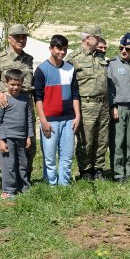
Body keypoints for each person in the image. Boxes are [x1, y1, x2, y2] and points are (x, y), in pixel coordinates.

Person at [0, 24, 36, 179]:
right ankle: (5, 180)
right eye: (17, 37)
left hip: (26, 108)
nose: (21, 40)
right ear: (9, 38)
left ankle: (24, 180)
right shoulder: (0, 59)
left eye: (24, 37)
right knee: (8, 145)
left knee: (29, 145)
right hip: (8, 109)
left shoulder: (28, 59)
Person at [33, 35, 81, 186]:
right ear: (51, 49)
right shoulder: (41, 70)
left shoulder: (70, 69)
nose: (62, 52)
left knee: (67, 156)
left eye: (65, 49)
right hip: (50, 121)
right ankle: (51, 186)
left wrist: (77, 116)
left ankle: (64, 185)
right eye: (59, 49)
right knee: (49, 157)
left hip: (69, 120)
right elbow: (38, 98)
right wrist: (43, 120)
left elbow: (75, 94)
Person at [67, 24, 109, 180]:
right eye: (96, 37)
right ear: (87, 38)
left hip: (103, 104)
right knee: (86, 139)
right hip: (86, 105)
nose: (99, 40)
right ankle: (85, 170)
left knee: (102, 138)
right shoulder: (73, 58)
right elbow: (68, 84)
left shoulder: (100, 56)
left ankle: (98, 169)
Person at [0, 69, 34, 199]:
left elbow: (29, 119)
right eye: (12, 84)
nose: (15, 87)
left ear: (22, 84)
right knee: (8, 165)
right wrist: (1, 140)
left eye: (19, 85)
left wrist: (29, 136)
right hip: (8, 139)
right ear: (6, 83)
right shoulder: (3, 99)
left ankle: (23, 187)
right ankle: (8, 190)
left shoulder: (25, 99)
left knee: (23, 164)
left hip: (22, 138)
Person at [108, 32, 130, 182]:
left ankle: (128, 170)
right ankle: (118, 172)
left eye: (127, 48)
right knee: (118, 141)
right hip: (118, 108)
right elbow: (109, 88)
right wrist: (112, 106)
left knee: (129, 141)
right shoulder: (112, 64)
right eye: (121, 48)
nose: (123, 51)